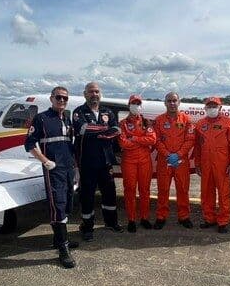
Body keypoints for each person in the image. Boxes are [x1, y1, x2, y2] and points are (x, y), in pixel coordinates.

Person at [24, 86, 78, 268]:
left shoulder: (67, 119)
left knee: (68, 202)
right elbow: (29, 143)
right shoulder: (41, 118)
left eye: (65, 98)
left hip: (68, 168)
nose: (62, 100)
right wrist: (45, 161)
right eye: (58, 97)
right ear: (51, 98)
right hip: (54, 169)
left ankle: (59, 239)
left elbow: (70, 145)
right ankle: (63, 248)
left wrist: (75, 166)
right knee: (58, 205)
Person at [72, 81, 124, 240]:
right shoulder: (79, 111)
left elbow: (117, 130)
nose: (94, 94)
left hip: (106, 162)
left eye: (96, 92)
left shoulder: (107, 111)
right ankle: (87, 227)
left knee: (110, 193)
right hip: (87, 162)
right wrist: (105, 130)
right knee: (87, 195)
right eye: (91, 91)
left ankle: (111, 222)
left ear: (100, 94)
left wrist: (98, 131)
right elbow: (82, 129)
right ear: (85, 94)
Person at [194, 97, 230, 233]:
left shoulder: (228, 123)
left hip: (222, 164)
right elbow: (197, 146)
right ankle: (209, 219)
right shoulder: (200, 124)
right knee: (206, 192)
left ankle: (223, 221)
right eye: (209, 106)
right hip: (206, 163)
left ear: (220, 108)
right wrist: (197, 163)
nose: (212, 108)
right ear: (205, 108)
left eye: (214, 106)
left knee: (224, 193)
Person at [152, 91, 195, 229]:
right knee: (163, 189)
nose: (172, 103)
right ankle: (161, 216)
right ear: (165, 103)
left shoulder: (186, 119)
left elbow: (190, 140)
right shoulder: (159, 120)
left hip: (181, 161)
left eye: (174, 100)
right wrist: (167, 154)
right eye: (169, 101)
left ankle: (184, 216)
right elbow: (156, 140)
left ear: (179, 102)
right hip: (164, 160)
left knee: (183, 189)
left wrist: (179, 154)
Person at [118, 94, 157, 232]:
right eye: (133, 103)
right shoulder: (122, 123)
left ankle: (144, 218)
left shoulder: (146, 122)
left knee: (145, 190)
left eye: (138, 103)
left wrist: (134, 138)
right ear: (129, 106)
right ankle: (131, 219)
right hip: (129, 161)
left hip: (144, 161)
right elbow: (123, 143)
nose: (136, 106)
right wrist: (141, 140)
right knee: (129, 190)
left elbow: (152, 140)